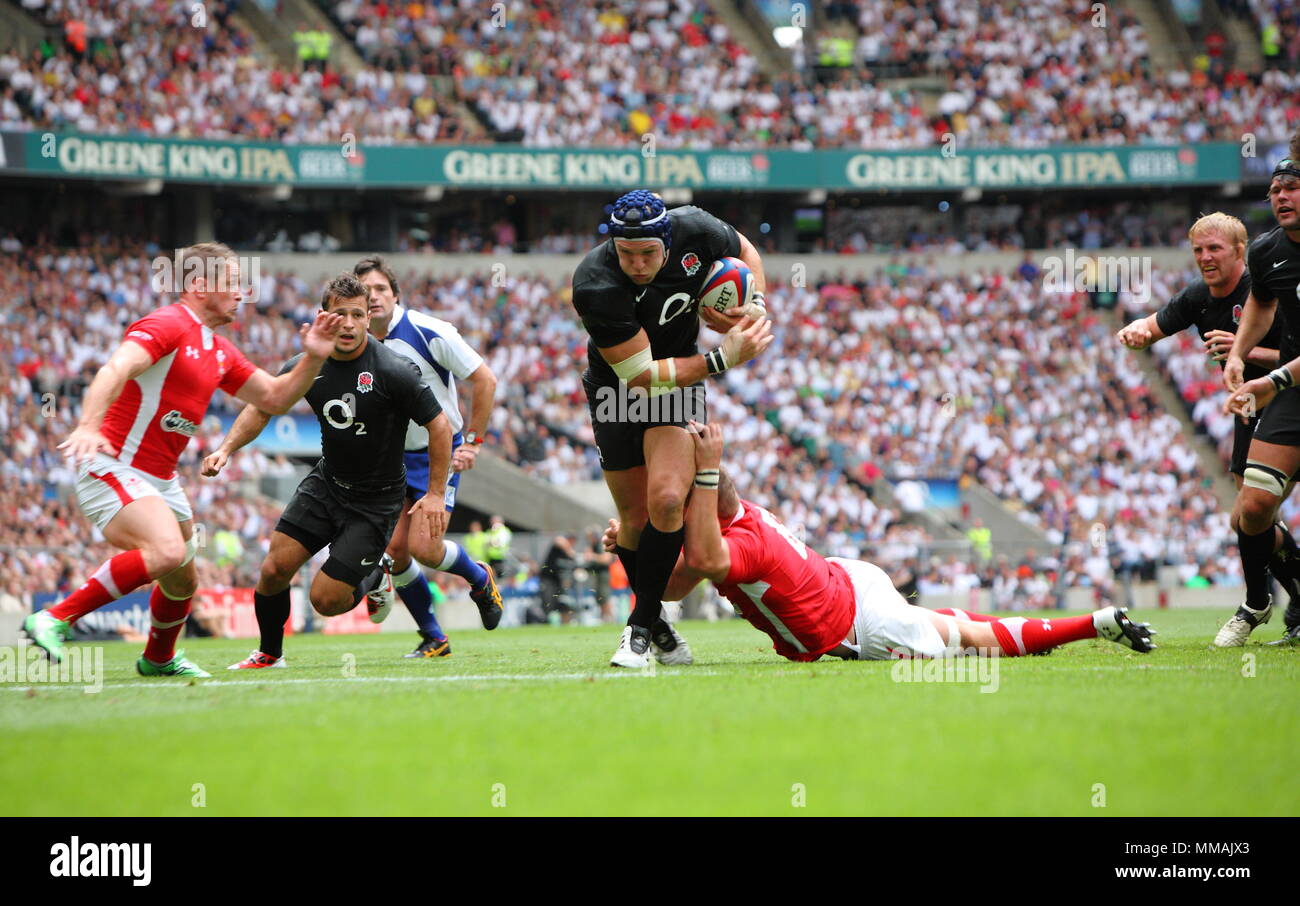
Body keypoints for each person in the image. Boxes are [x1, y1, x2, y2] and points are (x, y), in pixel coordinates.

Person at [22, 242, 344, 676]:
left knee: (182, 580)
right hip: (113, 464)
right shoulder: (169, 324)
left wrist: (314, 355)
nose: (240, 293)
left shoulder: (219, 349)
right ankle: (54, 617)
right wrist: (87, 426)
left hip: (161, 479)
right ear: (197, 285)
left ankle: (159, 658)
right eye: (231, 283)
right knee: (168, 550)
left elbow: (276, 396)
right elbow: (115, 369)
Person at [605, 422, 1156, 664]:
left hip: (857, 625)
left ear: (708, 498)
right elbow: (675, 580)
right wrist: (635, 551)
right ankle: (1096, 622)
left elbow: (698, 560)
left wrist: (702, 474)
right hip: (848, 579)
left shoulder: (736, 542)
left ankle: (1095, 623)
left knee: (967, 641)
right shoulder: (737, 521)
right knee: (955, 625)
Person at [203, 274, 451, 669]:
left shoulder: (394, 369)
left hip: (376, 500)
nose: (349, 323)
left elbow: (440, 426)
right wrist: (225, 449)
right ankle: (270, 654)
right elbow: (263, 405)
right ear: (324, 317)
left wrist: (435, 493)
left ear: (369, 319)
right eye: (340, 314)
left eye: (357, 314)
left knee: (326, 601)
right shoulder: (307, 364)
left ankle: (378, 574)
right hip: (327, 484)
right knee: (273, 569)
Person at [571, 189, 773, 667]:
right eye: (626, 253)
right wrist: (723, 357)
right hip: (617, 388)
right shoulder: (594, 283)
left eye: (647, 254)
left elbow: (744, 250)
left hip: (678, 390)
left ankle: (639, 629)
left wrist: (755, 305)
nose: (637, 264)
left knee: (665, 499)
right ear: (612, 245)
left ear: (667, 239)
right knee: (634, 520)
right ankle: (658, 625)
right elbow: (639, 374)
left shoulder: (696, 229)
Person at [1119, 211, 1300, 638]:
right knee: (1248, 516)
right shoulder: (1199, 296)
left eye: (1214, 248)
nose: (1205, 257)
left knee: (1251, 513)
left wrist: (1249, 354)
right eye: (1198, 249)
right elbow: (1156, 324)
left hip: (1285, 399)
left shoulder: (1268, 287)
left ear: (1241, 252)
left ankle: (1259, 603)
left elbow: (1293, 356)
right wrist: (1136, 331)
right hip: (1250, 410)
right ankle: (1282, 602)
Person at [354, 255, 502, 659]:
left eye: (380, 289)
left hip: (438, 452)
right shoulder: (354, 343)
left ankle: (479, 576)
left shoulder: (428, 330)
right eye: (364, 291)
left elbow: (484, 379)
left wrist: (473, 441)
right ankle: (434, 637)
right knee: (398, 551)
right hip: (390, 459)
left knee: (425, 548)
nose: (373, 298)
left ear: (396, 294)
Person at [1220, 145, 1300, 646]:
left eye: (1291, 188)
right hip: (1295, 397)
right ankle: (1258, 602)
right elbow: (1260, 302)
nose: (1280, 197)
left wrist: (1270, 380)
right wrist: (1238, 354)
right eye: (1274, 191)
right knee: (1250, 510)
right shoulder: (1268, 251)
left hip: (1285, 385)